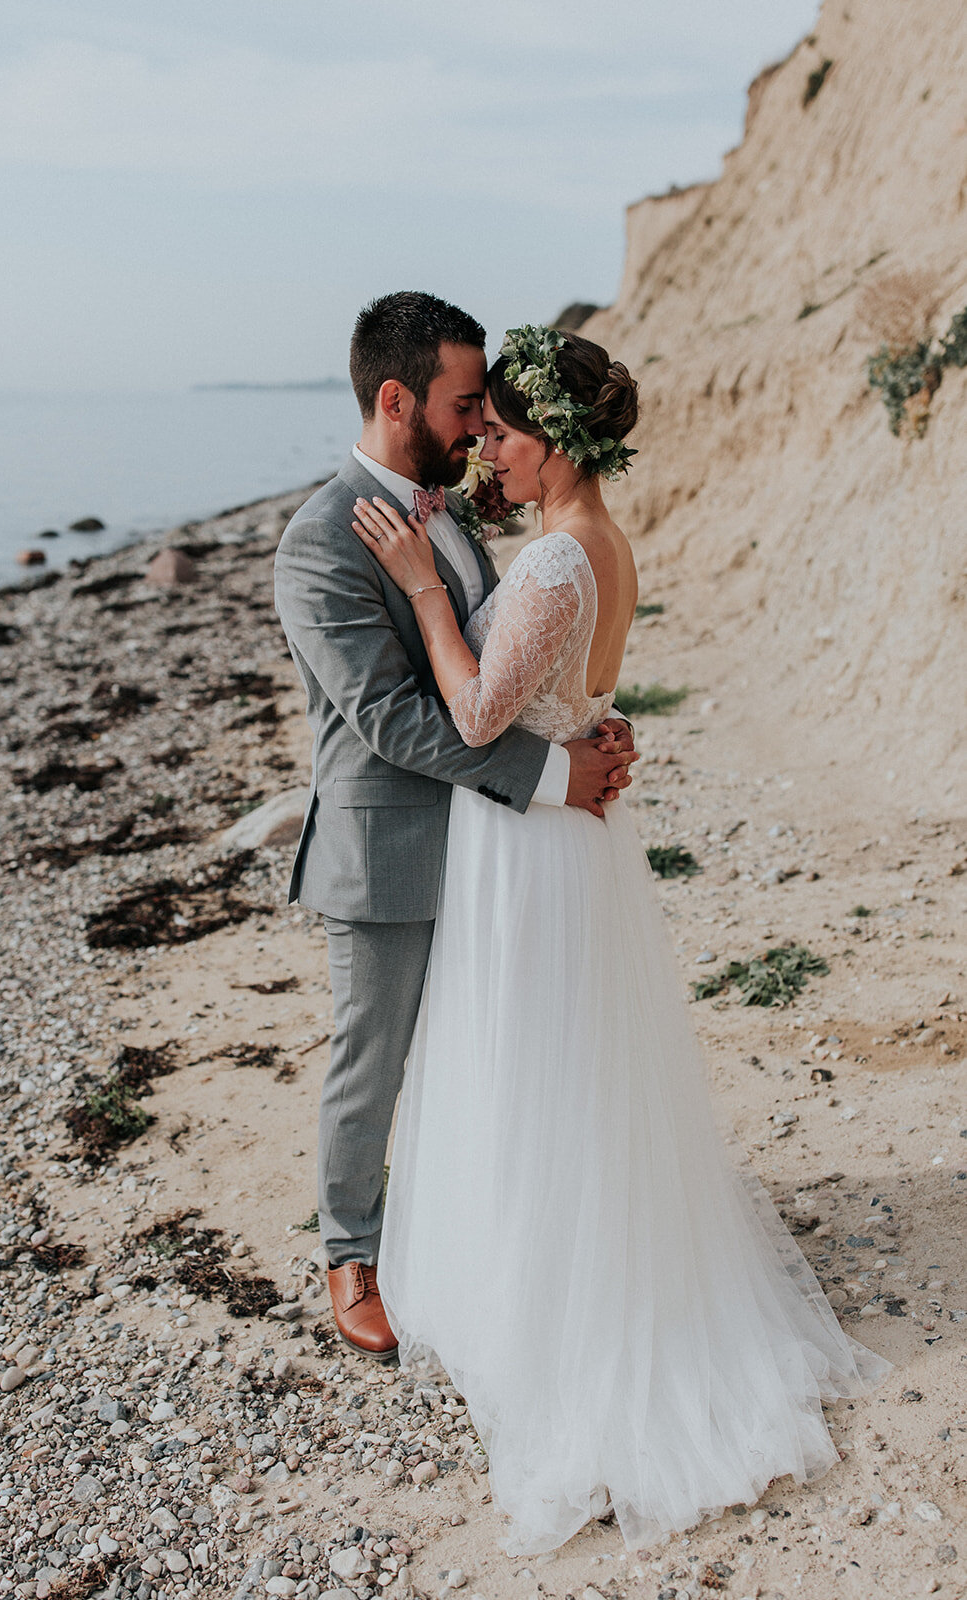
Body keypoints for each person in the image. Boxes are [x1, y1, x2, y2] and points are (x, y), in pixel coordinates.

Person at [350, 322, 891, 1554]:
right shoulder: (601, 545)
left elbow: (485, 710)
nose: (486, 443)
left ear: (558, 442)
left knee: (532, 1075)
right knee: (566, 1077)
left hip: (530, 855)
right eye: (477, 425)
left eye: (501, 431)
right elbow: (581, 697)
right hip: (570, 843)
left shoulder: (550, 563)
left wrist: (429, 593)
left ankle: (556, 1321)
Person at [273, 294, 638, 1362]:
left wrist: (592, 725)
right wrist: (547, 774)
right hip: (387, 847)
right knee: (372, 1060)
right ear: (397, 400)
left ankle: (473, 1247)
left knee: (488, 1061)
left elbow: (516, 663)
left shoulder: (457, 512)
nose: (481, 427)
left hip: (496, 852)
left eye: (487, 409)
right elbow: (386, 719)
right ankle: (349, 1254)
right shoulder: (316, 541)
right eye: (463, 404)